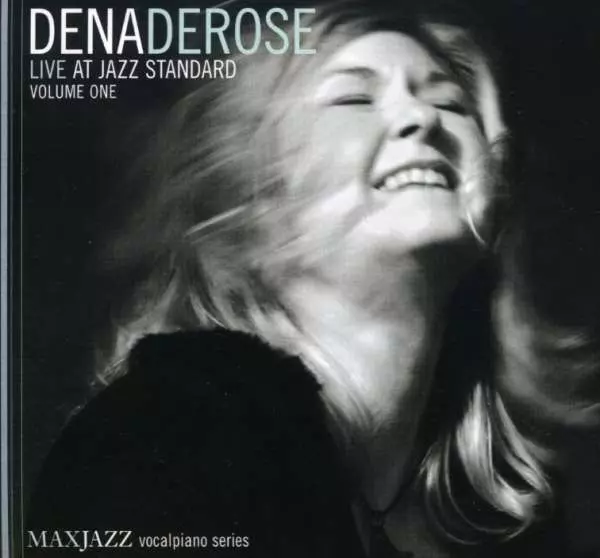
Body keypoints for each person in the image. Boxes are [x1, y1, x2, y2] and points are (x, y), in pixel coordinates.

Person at [26, 1, 599, 556]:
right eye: (354, 98)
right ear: (254, 197)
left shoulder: (512, 520)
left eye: (449, 101)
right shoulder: (153, 443)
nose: (422, 118)